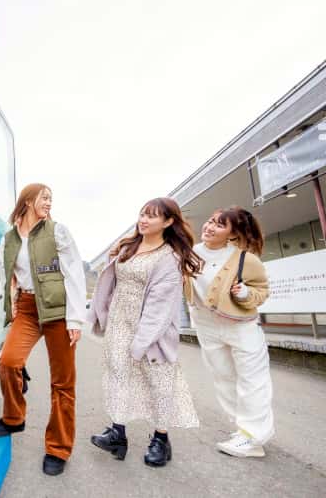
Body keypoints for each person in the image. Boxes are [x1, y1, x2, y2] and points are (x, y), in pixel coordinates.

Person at [88, 197, 201, 467]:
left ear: (169, 222)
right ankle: (118, 432)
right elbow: (112, 278)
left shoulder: (169, 258)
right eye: (142, 214)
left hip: (151, 330)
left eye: (151, 216)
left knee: (158, 382)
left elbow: (159, 308)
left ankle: (161, 439)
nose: (143, 220)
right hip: (119, 323)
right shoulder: (129, 246)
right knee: (118, 375)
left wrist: (140, 342)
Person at [0, 183, 87, 477]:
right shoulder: (9, 239)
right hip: (29, 308)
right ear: (28, 200)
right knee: (8, 364)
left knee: (62, 383)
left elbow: (74, 273)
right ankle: (14, 417)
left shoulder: (58, 232)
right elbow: (9, 276)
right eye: (45, 197)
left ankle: (58, 448)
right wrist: (12, 304)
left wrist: (75, 319)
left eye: (51, 199)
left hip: (59, 311)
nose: (49, 203)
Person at [184, 206, 273, 457]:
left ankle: (253, 438)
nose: (210, 227)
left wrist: (245, 293)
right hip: (206, 326)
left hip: (241, 326)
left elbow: (262, 291)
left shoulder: (246, 259)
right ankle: (243, 430)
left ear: (233, 233)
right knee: (223, 378)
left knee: (252, 381)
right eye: (211, 221)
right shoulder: (189, 254)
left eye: (220, 225)